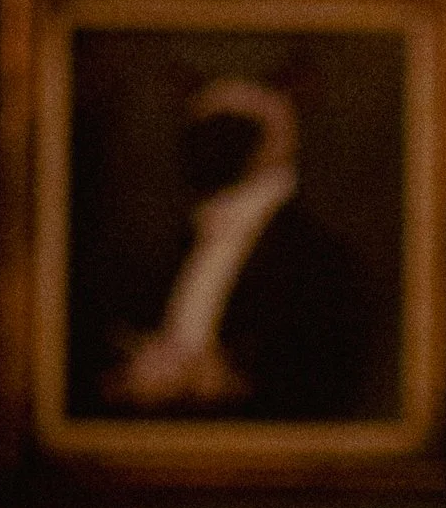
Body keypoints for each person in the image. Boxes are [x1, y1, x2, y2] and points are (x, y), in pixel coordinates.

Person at [107, 76, 378, 419]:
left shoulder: (319, 256)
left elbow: (324, 380)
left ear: (267, 144)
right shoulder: (185, 240)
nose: (204, 147)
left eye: (224, 132)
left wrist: (222, 380)